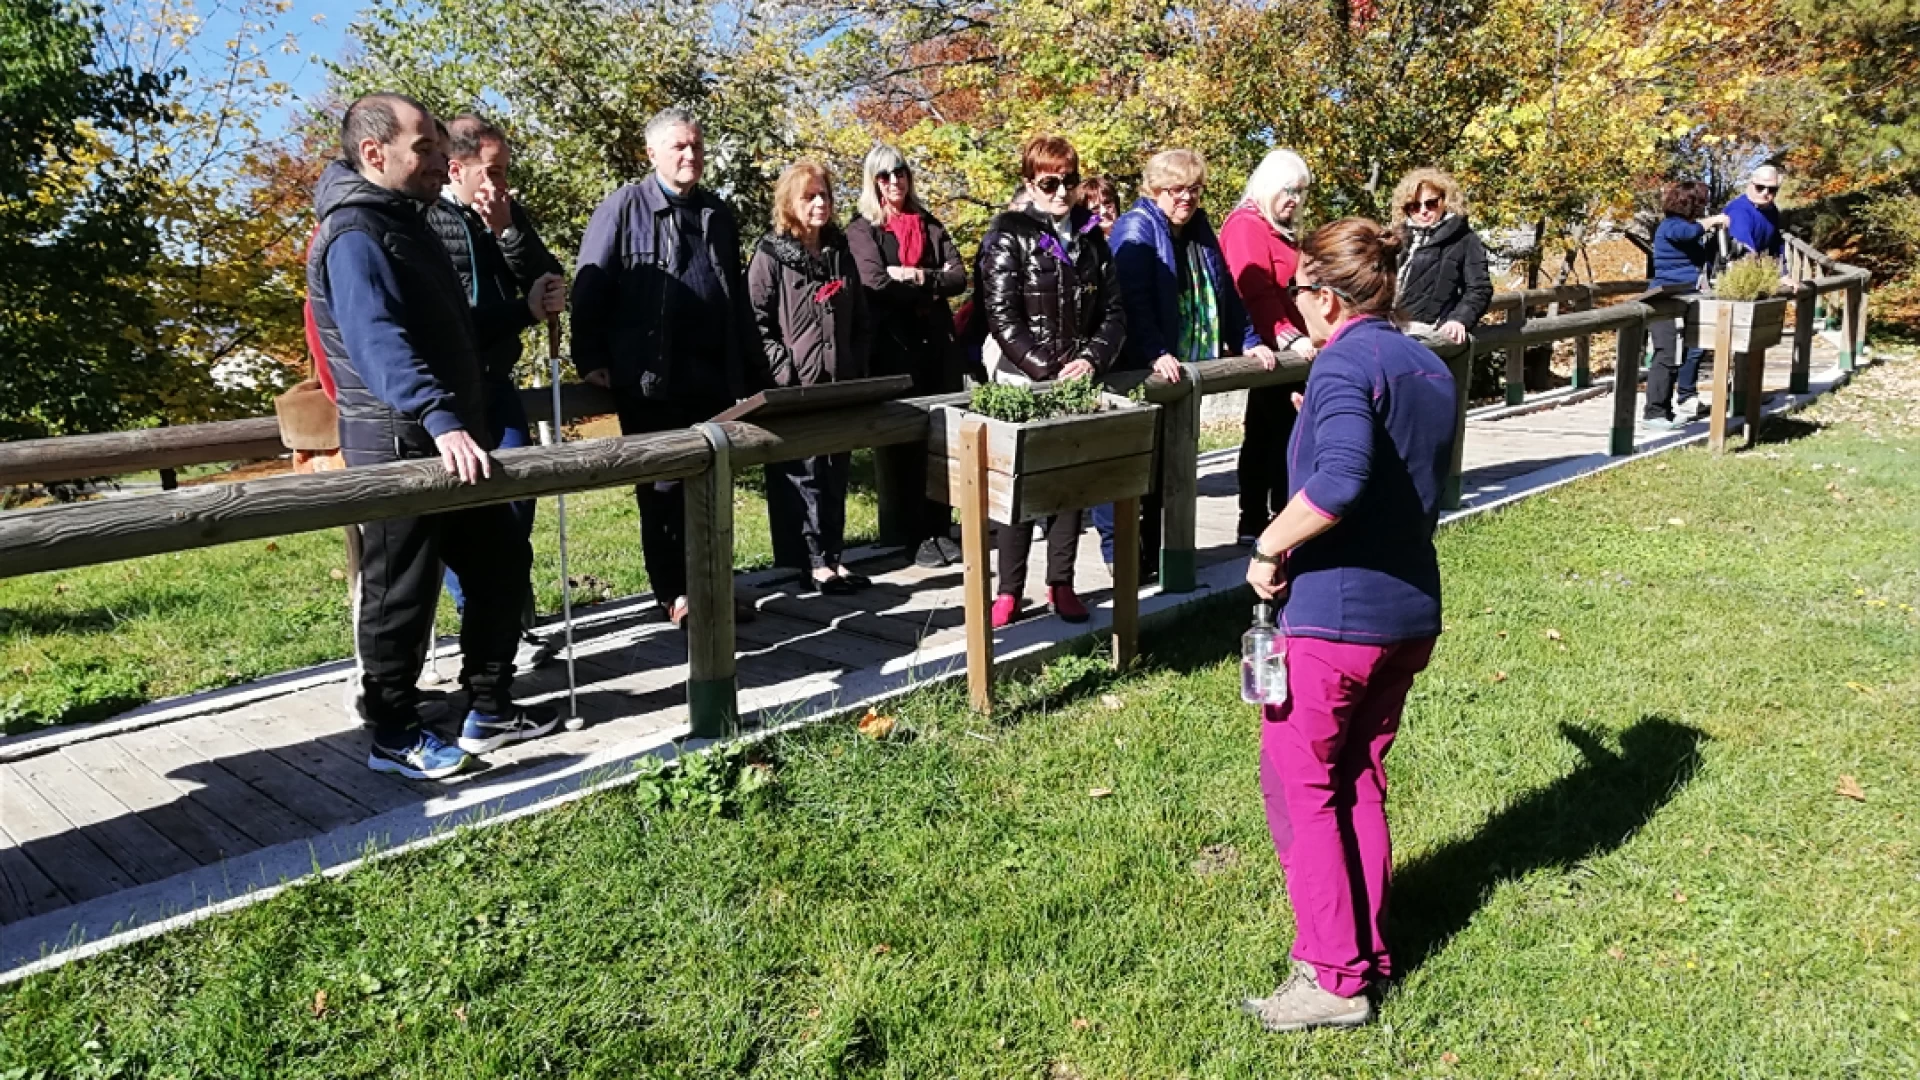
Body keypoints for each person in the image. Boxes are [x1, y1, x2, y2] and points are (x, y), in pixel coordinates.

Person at [1240, 218, 1456, 1034]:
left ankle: (1334, 978)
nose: (1296, 305)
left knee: (1303, 786)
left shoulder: (1341, 365)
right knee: (1358, 778)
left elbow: (1338, 483)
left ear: (1327, 297)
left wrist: (1266, 547)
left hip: (1337, 618)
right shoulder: (1422, 362)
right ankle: (1363, 947)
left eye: (1300, 291)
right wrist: (1321, 408)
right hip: (1409, 612)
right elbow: (1400, 463)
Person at [306, 93, 557, 779]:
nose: (439, 159)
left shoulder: (406, 223)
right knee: (402, 591)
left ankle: (489, 706)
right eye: (424, 148)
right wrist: (442, 418)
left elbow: (452, 330)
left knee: (500, 562)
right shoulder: (357, 234)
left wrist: (520, 313)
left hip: (452, 439)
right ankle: (392, 733)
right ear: (373, 153)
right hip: (399, 442)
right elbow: (378, 344)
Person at [572, 107, 759, 628]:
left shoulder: (717, 214)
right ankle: (675, 593)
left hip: (711, 374)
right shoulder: (622, 209)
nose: (690, 155)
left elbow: (734, 296)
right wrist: (590, 358)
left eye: (696, 146)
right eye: (679, 146)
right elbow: (590, 287)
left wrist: (746, 365)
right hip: (650, 377)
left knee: (714, 486)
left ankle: (715, 585)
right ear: (651, 153)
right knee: (662, 490)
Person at [426, 114, 566, 667]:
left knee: (517, 495)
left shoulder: (504, 213)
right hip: (452, 392)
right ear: (455, 168)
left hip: (498, 385)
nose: (500, 182)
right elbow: (456, 318)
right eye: (493, 171)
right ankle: (483, 629)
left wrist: (508, 231)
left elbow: (548, 280)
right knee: (467, 512)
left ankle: (506, 619)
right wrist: (521, 312)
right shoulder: (429, 220)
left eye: (506, 170)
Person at [1101, 148, 1274, 580]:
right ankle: (1122, 557)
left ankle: (1160, 558)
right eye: (1176, 190)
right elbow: (1133, 302)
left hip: (1183, 363)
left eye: (1194, 190)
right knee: (1133, 466)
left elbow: (1224, 288)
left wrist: (1249, 339)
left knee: (1169, 469)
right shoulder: (1135, 229)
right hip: (1141, 366)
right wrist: (1154, 351)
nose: (1186, 199)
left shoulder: (1197, 228)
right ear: (1154, 190)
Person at [979, 135, 1125, 628]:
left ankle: (1061, 582)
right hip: (1022, 378)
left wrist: (1090, 362)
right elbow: (1002, 314)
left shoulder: (1090, 237)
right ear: (1029, 183)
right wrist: (1045, 369)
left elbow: (1112, 313)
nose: (1061, 193)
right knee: (1017, 485)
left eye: (1068, 182)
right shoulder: (1008, 233)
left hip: (1075, 376)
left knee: (1070, 483)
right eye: (1049, 183)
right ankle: (1008, 590)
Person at [749, 162, 873, 592]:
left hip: (839, 384)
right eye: (809, 196)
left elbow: (859, 318)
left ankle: (834, 558)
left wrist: (854, 367)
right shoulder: (770, 256)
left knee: (836, 470)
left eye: (825, 195)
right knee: (804, 473)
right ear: (790, 203)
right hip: (794, 389)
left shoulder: (840, 253)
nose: (820, 203)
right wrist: (784, 372)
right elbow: (756, 323)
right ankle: (812, 560)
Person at [845, 145, 969, 569]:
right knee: (903, 445)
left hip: (938, 350)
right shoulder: (863, 229)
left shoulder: (930, 224)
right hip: (894, 352)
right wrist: (929, 285)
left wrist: (918, 275)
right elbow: (874, 282)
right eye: (884, 175)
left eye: (900, 172)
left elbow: (959, 277)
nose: (894, 181)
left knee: (941, 440)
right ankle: (912, 533)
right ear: (872, 181)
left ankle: (939, 529)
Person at [1220, 149, 1317, 544]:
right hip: (1270, 348)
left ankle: (1283, 511)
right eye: (1287, 190)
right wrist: (1287, 336)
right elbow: (1253, 289)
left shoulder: (1281, 229)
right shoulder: (1246, 225)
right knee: (1266, 435)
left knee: (1288, 432)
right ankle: (1254, 518)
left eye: (1301, 191)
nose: (1294, 199)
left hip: (1293, 349)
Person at [1643, 181, 1730, 429]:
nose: (1704, 208)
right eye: (1702, 203)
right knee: (1666, 355)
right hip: (1664, 299)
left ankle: (1668, 410)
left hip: (1685, 297)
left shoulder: (1685, 227)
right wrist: (1713, 221)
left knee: (1689, 352)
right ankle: (1653, 413)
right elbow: (1688, 234)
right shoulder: (1671, 226)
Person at [1389, 168, 1492, 344]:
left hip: (1428, 334)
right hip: (1388, 328)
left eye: (1431, 203)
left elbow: (1479, 289)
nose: (1423, 211)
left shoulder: (1464, 239)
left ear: (1444, 200)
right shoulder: (1396, 238)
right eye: (1414, 206)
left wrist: (1459, 319)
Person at [1724, 165, 1800, 293]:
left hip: (1752, 275)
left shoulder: (1771, 210)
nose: (1765, 193)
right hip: (1732, 279)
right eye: (1760, 187)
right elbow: (1743, 252)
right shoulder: (1739, 211)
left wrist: (1783, 274)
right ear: (1750, 185)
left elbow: (1776, 245)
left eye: (1772, 189)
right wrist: (1767, 279)